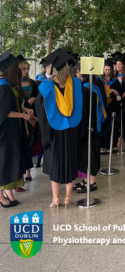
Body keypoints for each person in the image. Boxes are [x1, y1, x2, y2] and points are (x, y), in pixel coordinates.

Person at [35, 48, 82, 209]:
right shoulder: (76, 83)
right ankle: (68, 197)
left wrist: (45, 138)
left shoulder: (45, 87)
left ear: (53, 69)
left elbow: (42, 115)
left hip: (54, 133)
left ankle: (56, 198)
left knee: (55, 164)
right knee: (69, 162)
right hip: (72, 131)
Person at [0, 50, 35, 208]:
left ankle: (9, 193)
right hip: (5, 132)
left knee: (10, 161)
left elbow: (13, 103)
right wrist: (22, 116)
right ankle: (1, 196)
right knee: (4, 162)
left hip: (13, 131)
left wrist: (24, 109)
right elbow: (4, 112)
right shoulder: (2, 86)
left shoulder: (9, 84)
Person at [74, 73, 107, 193]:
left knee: (90, 153)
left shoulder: (87, 88)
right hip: (94, 125)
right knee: (89, 152)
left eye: (77, 72)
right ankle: (87, 180)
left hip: (90, 127)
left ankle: (91, 182)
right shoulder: (93, 86)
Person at [18, 56, 40, 181]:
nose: (26, 71)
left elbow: (37, 95)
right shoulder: (14, 84)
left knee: (30, 141)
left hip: (32, 114)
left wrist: (34, 98)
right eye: (23, 68)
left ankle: (28, 171)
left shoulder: (32, 82)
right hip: (21, 115)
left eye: (27, 68)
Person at [101, 59, 122, 153]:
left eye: (109, 70)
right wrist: (111, 90)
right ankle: (103, 146)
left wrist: (114, 91)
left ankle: (111, 146)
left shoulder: (115, 81)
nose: (107, 72)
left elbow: (119, 94)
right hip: (103, 108)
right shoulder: (100, 81)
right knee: (103, 127)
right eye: (106, 69)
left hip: (113, 108)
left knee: (112, 127)